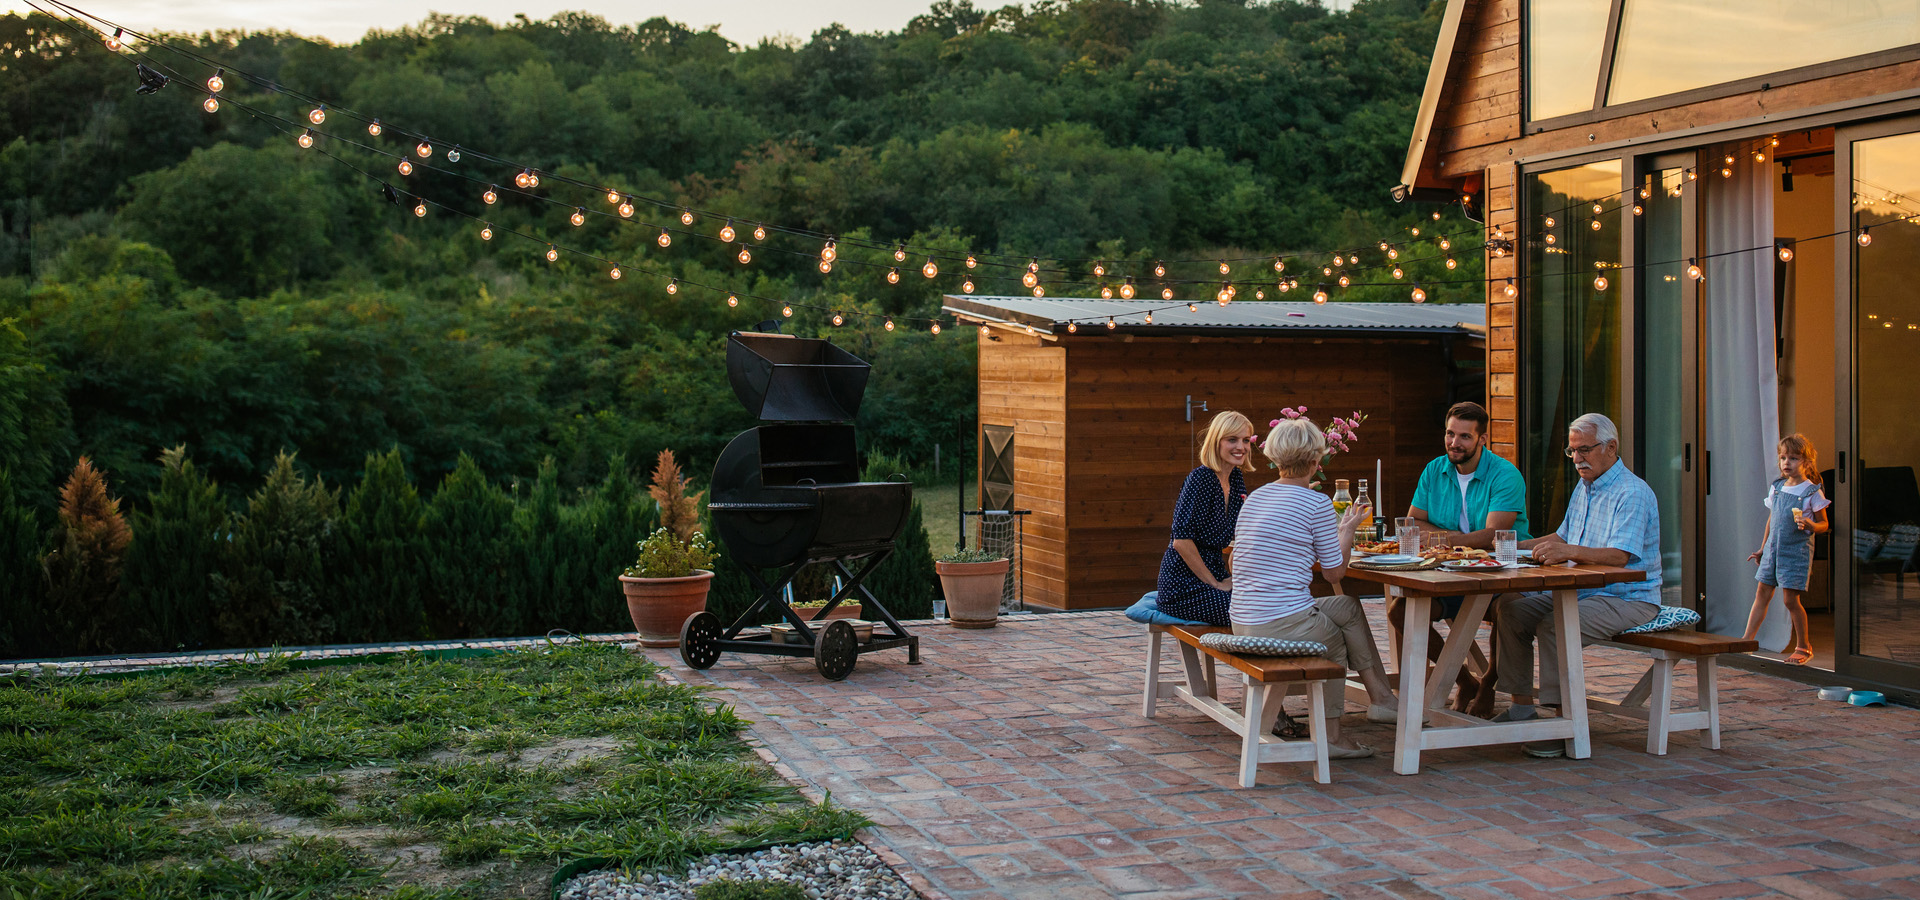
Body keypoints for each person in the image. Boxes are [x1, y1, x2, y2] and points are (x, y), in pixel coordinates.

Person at [1231, 416, 1399, 760]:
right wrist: (1348, 530)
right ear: (1315, 461)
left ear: (1275, 458)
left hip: (1244, 619)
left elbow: (1236, 562)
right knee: (1333, 642)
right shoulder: (1317, 503)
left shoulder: (1256, 498)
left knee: (1348, 607)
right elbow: (1335, 573)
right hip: (1281, 621)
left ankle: (1382, 699)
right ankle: (1333, 736)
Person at [1494, 412, 1661, 758]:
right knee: (1510, 608)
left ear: (1611, 447)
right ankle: (1521, 707)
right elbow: (1564, 536)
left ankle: (1562, 724)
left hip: (1629, 597)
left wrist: (1567, 551)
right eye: (1571, 452)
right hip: (1581, 592)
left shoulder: (1632, 493)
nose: (1577, 459)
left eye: (1584, 450)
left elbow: (1619, 556)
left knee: (1556, 625)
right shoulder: (1586, 486)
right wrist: (1513, 545)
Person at [1393, 401, 1531, 714]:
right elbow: (1413, 522)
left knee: (1507, 609)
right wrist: (1453, 544)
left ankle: (1490, 683)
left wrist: (1442, 539)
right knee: (1400, 611)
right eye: (1450, 434)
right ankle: (1464, 680)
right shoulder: (1434, 469)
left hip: (1500, 576)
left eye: (1465, 437)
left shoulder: (1505, 475)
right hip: (1452, 575)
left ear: (1483, 439)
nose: (1455, 443)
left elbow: (1493, 535)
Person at [1156, 410, 1256, 625]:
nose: (1241, 447)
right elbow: (1181, 542)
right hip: (1183, 585)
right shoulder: (1202, 479)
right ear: (1216, 442)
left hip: (1215, 573)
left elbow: (1238, 538)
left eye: (1245, 440)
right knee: (1250, 614)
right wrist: (1216, 584)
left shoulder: (1236, 478)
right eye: (1232, 440)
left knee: (1268, 603)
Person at [1743, 433, 1829, 665]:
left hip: (1795, 554)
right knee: (1761, 595)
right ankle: (1746, 641)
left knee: (1791, 601)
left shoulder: (1812, 492)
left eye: (1793, 458)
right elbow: (1772, 520)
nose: (1786, 463)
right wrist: (1762, 549)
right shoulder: (1778, 487)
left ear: (1807, 463)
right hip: (1772, 552)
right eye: (1783, 458)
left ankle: (1804, 646)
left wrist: (1811, 524)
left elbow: (1824, 524)